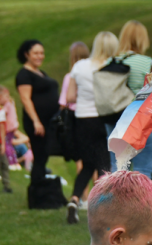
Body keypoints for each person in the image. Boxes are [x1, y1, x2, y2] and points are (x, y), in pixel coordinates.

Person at [66, 31, 117, 224]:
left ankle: (74, 200)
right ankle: (103, 209)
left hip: (83, 120)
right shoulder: (112, 67)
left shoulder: (79, 66)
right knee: (105, 164)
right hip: (104, 119)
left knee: (87, 164)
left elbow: (70, 97)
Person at [16, 39, 66, 209]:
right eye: (36, 53)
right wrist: (36, 121)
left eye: (41, 53)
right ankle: (36, 196)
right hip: (37, 123)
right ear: (26, 54)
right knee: (39, 156)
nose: (40, 56)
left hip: (48, 122)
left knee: (43, 157)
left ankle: (42, 194)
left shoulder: (40, 73)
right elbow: (25, 99)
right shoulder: (24, 74)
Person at [105, 21, 152, 177]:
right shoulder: (146, 62)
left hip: (114, 117)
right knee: (143, 171)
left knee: (117, 170)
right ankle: (140, 202)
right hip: (140, 119)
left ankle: (116, 202)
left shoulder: (111, 62)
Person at [59, 42, 88, 178]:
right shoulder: (92, 75)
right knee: (93, 160)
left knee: (79, 160)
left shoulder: (70, 77)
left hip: (74, 119)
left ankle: (83, 197)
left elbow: (63, 102)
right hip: (91, 116)